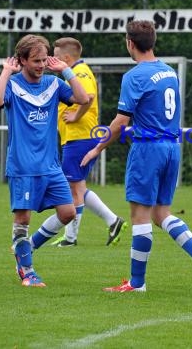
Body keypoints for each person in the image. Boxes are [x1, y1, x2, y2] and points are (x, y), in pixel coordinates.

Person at [80, 20, 192, 293]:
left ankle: (137, 284)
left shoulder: (134, 76)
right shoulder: (169, 72)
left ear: (130, 43)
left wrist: (96, 149)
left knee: (140, 216)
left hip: (148, 149)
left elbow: (120, 123)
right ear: (152, 41)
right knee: (161, 213)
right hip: (171, 147)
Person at [0, 34, 90, 287]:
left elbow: (83, 98)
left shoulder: (54, 84)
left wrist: (66, 70)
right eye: (36, 60)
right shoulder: (12, 85)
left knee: (68, 213)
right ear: (21, 60)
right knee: (22, 220)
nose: (42, 64)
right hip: (23, 167)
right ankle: (27, 271)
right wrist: (5, 72)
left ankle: (26, 248)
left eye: (44, 59)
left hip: (50, 166)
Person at [50, 37, 127, 247]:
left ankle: (70, 238)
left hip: (80, 136)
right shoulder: (76, 71)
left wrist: (75, 116)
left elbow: (89, 96)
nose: (52, 61)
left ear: (66, 58)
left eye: (56, 57)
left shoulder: (79, 72)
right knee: (79, 187)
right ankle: (113, 221)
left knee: (72, 188)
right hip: (78, 137)